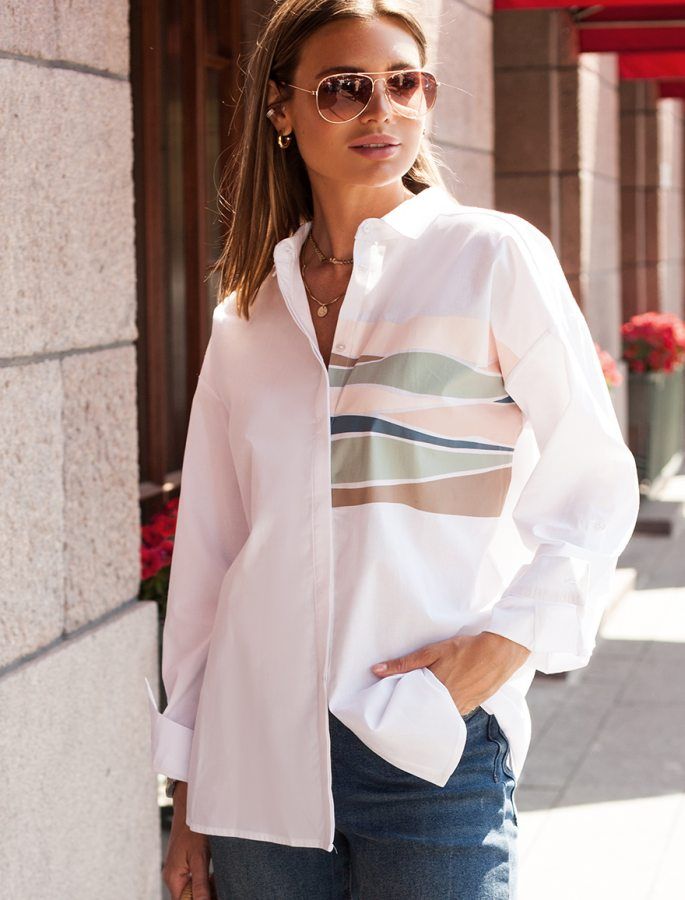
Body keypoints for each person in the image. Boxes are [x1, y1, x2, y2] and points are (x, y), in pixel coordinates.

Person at [144, 0, 641, 897]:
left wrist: (503, 647)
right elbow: (211, 559)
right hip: (254, 752)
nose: (383, 110)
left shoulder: (489, 257)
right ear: (281, 108)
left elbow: (593, 481)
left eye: (405, 83)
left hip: (423, 747)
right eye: (345, 88)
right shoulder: (249, 312)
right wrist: (189, 797)